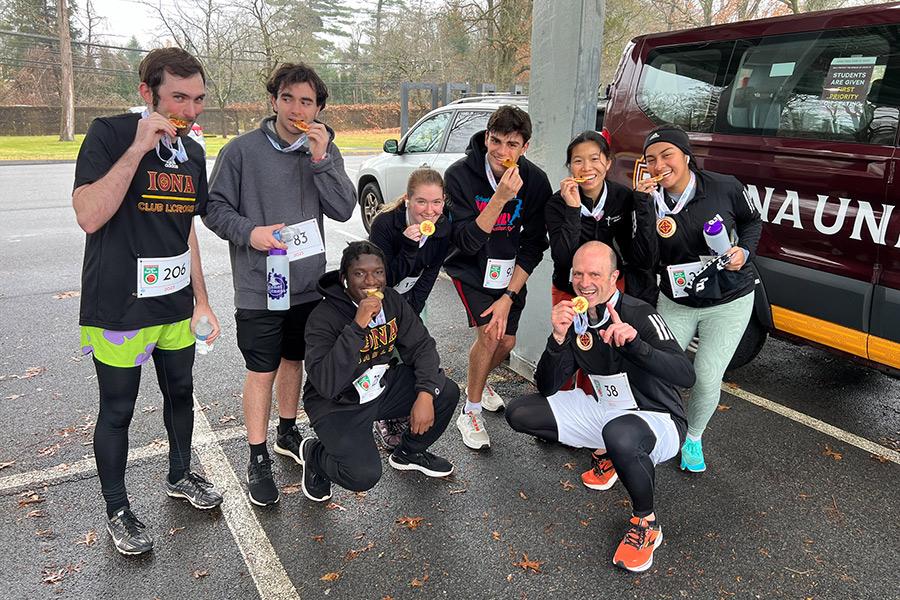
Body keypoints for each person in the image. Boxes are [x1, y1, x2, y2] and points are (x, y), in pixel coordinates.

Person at [72, 47, 223, 556]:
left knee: (181, 393)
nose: (189, 109)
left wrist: (202, 300)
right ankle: (117, 510)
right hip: (119, 308)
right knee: (118, 409)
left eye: (198, 99)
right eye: (178, 97)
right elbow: (89, 215)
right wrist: (137, 149)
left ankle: (180, 475)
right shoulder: (109, 134)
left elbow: (187, 232)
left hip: (175, 306)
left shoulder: (193, 153)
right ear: (147, 93)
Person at [203, 62, 356, 506]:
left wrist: (322, 160)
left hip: (309, 285)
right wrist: (251, 233)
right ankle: (256, 456)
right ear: (273, 100)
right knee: (261, 370)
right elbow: (214, 208)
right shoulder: (241, 151)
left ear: (319, 108)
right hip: (258, 285)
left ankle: (288, 432)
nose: (295, 108)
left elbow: (345, 209)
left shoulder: (324, 149)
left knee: (295, 360)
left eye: (306, 101)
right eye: (287, 98)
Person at [505, 241, 694, 573]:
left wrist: (636, 346)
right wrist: (558, 338)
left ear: (614, 277)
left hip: (655, 417)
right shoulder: (576, 318)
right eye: (578, 273)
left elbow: (685, 375)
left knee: (619, 433)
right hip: (604, 407)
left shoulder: (640, 313)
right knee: (519, 413)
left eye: (595, 273)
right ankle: (609, 454)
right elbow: (547, 386)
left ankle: (646, 523)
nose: (584, 281)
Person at [634, 125, 762, 473]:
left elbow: (753, 221)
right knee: (658, 370)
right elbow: (643, 257)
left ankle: (693, 438)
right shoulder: (647, 199)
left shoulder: (725, 187)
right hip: (677, 300)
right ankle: (657, 431)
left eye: (667, 155)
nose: (659, 165)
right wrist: (643, 208)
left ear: (686, 156)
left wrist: (745, 251)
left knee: (706, 375)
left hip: (730, 298)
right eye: (651, 160)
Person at [298, 241, 459, 502]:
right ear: (344, 279)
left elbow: (422, 346)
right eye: (360, 273)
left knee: (445, 391)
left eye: (378, 272)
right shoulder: (323, 317)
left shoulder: (392, 301)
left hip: (379, 387)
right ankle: (316, 456)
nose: (371, 281)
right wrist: (357, 326)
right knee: (362, 475)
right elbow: (326, 383)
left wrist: (426, 394)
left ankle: (408, 453)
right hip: (338, 402)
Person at [443, 105, 551, 449]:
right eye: (496, 140)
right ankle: (470, 411)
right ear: (487, 137)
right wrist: (501, 198)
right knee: (490, 335)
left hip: (510, 270)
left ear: (525, 147)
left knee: (507, 342)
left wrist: (508, 296)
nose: (502, 152)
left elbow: (534, 245)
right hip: (469, 267)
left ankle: (481, 379)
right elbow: (465, 240)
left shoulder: (535, 181)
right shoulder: (459, 175)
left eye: (512, 144)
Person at [368, 168, 451, 450]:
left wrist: (410, 316)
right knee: (381, 354)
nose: (430, 211)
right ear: (407, 200)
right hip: (378, 297)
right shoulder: (385, 224)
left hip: (412, 299)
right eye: (421, 202)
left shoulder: (443, 229)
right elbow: (382, 278)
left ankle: (403, 409)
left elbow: (429, 276)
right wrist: (408, 246)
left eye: (437, 202)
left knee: (412, 353)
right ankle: (382, 415)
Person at [545, 130, 656, 307]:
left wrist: (642, 204)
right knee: (567, 335)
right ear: (570, 166)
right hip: (570, 290)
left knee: (611, 334)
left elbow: (643, 257)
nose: (587, 167)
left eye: (595, 159)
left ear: (608, 163)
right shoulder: (557, 204)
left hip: (611, 288)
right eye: (578, 161)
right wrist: (573, 209)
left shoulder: (622, 197)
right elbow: (563, 258)